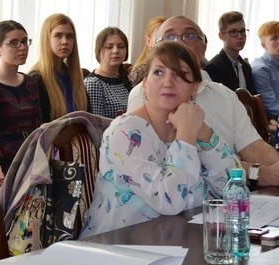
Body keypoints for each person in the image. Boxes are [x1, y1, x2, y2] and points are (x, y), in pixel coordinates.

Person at [80, 41, 240, 237]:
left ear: (195, 88)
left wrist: (204, 133)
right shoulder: (125, 132)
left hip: (179, 240)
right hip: (118, 245)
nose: (168, 82)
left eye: (180, 74)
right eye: (158, 72)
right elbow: (169, 201)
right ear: (145, 86)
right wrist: (186, 136)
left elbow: (234, 191)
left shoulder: (192, 127)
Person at [128, 16, 279, 188]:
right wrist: (259, 173)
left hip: (228, 194)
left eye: (189, 35)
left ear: (203, 48)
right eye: (169, 37)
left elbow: (253, 146)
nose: (179, 42)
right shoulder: (147, 94)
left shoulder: (224, 94)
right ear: (154, 48)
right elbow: (165, 167)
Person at [0, 20, 42, 185]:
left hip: (33, 159)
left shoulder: (30, 82)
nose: (22, 47)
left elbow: (38, 126)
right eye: (13, 43)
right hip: (7, 163)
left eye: (24, 41)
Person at [29, 14, 88, 122]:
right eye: (58, 36)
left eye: (69, 36)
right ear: (47, 39)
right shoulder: (36, 80)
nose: (65, 41)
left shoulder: (76, 77)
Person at [84, 27, 132, 118]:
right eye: (109, 47)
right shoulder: (94, 83)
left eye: (121, 46)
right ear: (99, 51)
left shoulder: (123, 79)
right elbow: (96, 122)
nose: (116, 51)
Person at [204, 11, 257, 93]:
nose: (240, 36)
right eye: (233, 32)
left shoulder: (246, 66)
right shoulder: (213, 67)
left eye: (242, 31)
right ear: (221, 36)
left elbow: (252, 96)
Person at [251, 21, 279, 121]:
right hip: (273, 121)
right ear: (264, 45)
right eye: (274, 38)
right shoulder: (261, 69)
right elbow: (272, 107)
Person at [129, 15, 166, 86]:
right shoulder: (140, 72)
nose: (164, 42)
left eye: (168, 37)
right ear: (148, 41)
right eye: (159, 38)